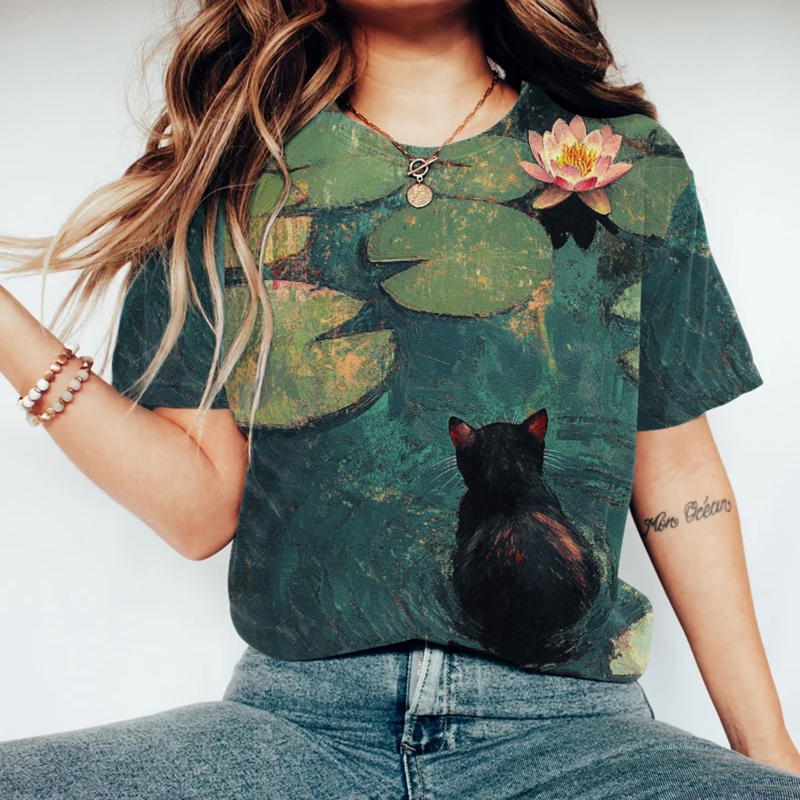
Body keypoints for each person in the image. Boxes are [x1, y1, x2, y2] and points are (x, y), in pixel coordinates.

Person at [1, 0, 799, 797]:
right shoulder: (229, 174)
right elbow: (200, 512)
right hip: (297, 728)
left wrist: (766, 746)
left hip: (572, 730)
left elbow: (679, 473)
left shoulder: (631, 163)